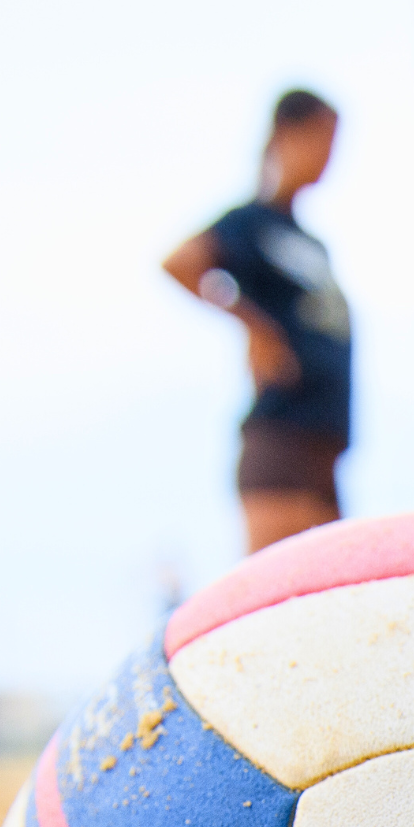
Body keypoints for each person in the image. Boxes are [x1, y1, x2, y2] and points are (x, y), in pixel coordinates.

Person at [163, 90, 353, 555]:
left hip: (325, 448)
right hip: (280, 444)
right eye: (322, 139)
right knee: (280, 608)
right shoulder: (250, 223)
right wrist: (253, 325)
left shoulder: (310, 242)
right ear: (286, 135)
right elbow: (180, 262)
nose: (329, 156)